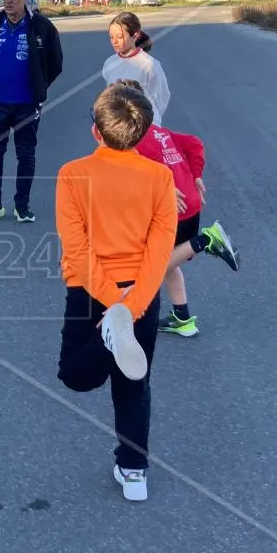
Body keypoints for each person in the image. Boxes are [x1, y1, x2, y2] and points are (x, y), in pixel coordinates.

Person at [54, 83, 177, 502]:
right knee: (134, 385)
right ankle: (135, 469)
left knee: (74, 373)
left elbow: (77, 248)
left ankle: (109, 338)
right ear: (143, 132)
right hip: (140, 292)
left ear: (96, 131)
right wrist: (132, 305)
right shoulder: (160, 177)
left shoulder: (72, 175)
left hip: (90, 291)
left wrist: (113, 306)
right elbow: (160, 250)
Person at [114, 79, 240, 337]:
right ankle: (183, 318)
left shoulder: (133, 141)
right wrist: (195, 175)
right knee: (170, 261)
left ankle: (206, 240)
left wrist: (163, 186)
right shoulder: (161, 132)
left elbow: (138, 169)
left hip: (174, 208)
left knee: (150, 265)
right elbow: (194, 143)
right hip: (189, 204)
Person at [0, 0, 63, 224]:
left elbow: (56, 64)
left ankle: (22, 207)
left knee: (25, 155)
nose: (9, 0)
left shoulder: (42, 28)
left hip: (27, 105)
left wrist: (38, 87)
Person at [101, 12, 170, 126]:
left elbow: (161, 98)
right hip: (117, 127)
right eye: (111, 37)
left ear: (135, 35)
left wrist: (149, 120)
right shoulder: (109, 63)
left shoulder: (149, 64)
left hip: (144, 127)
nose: (114, 41)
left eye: (119, 37)